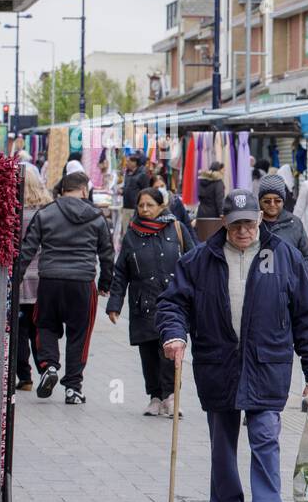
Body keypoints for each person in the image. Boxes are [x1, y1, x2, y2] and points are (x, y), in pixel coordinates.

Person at [157, 190, 308, 502]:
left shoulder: (285, 257)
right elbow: (173, 302)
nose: (243, 231)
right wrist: (174, 335)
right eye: (236, 225)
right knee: (222, 437)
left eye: (249, 223)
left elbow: (306, 317)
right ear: (224, 223)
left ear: (260, 219)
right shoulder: (201, 259)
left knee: (265, 433)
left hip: (267, 362)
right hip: (218, 361)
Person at [16, 171, 115, 404]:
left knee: (45, 326)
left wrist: (15, 280)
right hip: (82, 284)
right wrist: (105, 284)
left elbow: (27, 251)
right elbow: (107, 255)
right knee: (79, 335)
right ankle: (73, 388)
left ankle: (48, 365)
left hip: (49, 282)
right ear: (83, 190)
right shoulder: (97, 217)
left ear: (62, 190)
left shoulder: (45, 214)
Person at [106, 188, 196, 417]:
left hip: (173, 303)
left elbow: (195, 261)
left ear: (160, 206)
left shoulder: (176, 228)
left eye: (150, 205)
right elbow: (121, 271)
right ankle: (155, 396)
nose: (145, 210)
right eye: (141, 205)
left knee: (170, 351)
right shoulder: (132, 234)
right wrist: (114, 304)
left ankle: (171, 397)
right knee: (148, 354)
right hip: (142, 303)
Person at [15, 166, 52, 391]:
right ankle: (45, 370)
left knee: (19, 331)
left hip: (20, 278)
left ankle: (24, 377)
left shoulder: (15, 211)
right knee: (40, 328)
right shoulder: (48, 211)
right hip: (43, 279)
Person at [259, 173, 308, 273]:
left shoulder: (294, 223)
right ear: (260, 201)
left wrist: (296, 280)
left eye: (277, 201)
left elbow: (307, 257)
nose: (272, 205)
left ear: (283, 201)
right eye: (267, 201)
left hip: (289, 287)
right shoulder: (252, 224)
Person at [120, 154, 149, 235]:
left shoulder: (142, 175)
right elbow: (128, 188)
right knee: (125, 231)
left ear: (134, 162)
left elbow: (145, 191)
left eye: (128, 161)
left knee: (136, 230)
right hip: (126, 206)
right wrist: (122, 191)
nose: (126, 163)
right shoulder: (127, 174)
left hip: (135, 208)